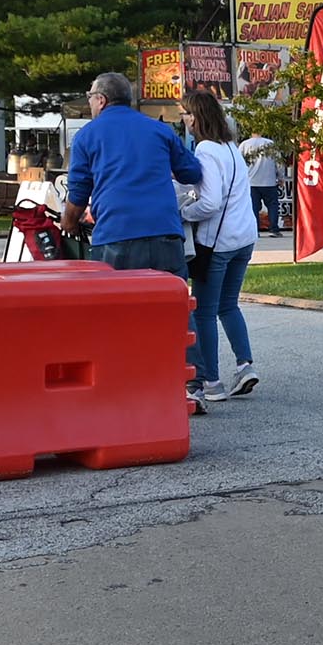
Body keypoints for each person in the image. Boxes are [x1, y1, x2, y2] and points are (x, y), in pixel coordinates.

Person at [62, 72, 203, 275]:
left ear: (101, 100)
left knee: (118, 304)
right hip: (165, 234)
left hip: (116, 235)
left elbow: (78, 193)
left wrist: (69, 222)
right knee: (169, 303)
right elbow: (191, 173)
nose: (90, 102)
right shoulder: (160, 130)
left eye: (90, 97)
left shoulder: (86, 136)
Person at [177, 89, 261, 405]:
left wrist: (183, 211)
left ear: (195, 117)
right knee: (229, 305)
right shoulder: (231, 148)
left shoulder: (206, 151)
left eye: (185, 114)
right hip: (244, 236)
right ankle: (245, 365)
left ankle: (211, 381)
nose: (183, 119)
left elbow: (210, 202)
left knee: (204, 313)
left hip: (217, 242)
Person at [240, 131, 282, 237]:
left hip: (251, 182)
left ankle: (255, 230)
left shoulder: (245, 145)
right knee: (273, 206)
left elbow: (239, 163)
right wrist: (280, 177)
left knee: (253, 207)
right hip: (269, 181)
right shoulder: (271, 144)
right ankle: (274, 229)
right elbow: (279, 162)